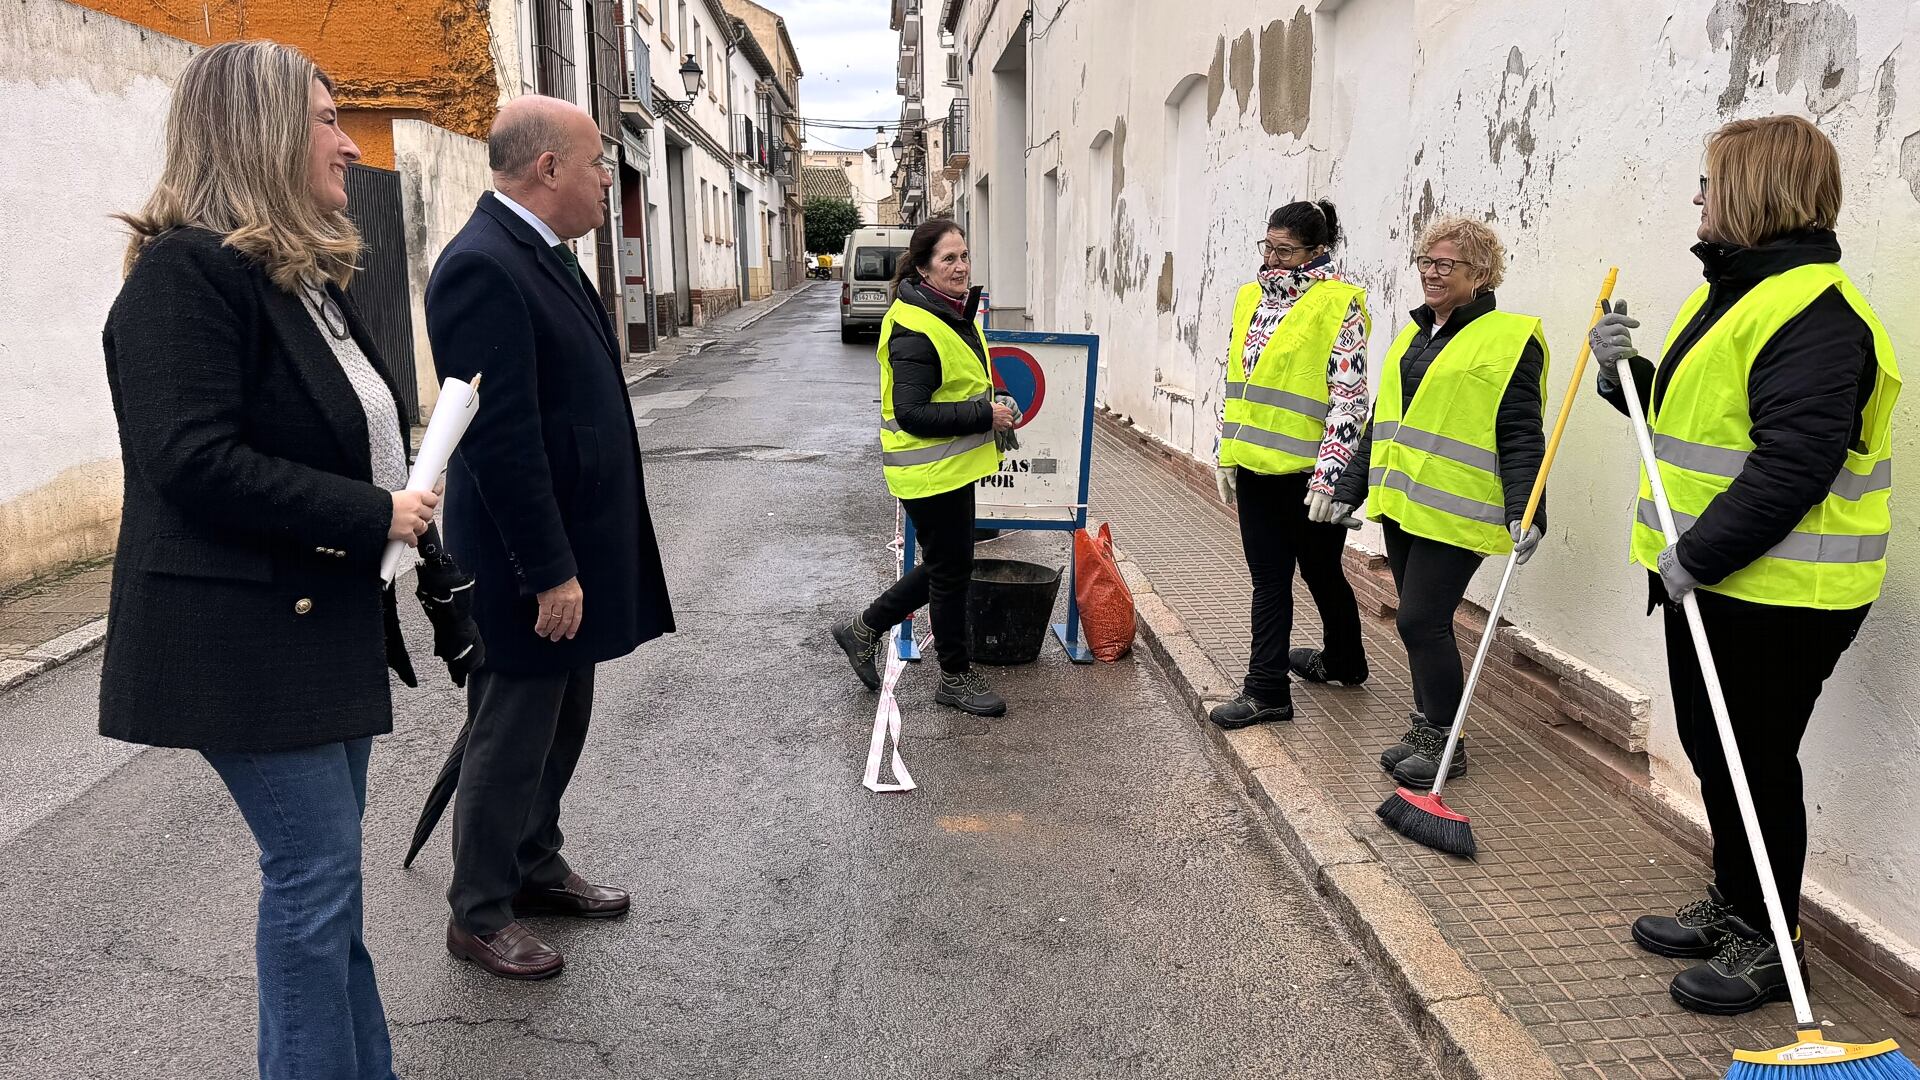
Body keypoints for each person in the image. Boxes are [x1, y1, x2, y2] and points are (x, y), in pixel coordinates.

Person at [100, 41, 478, 1079]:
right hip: (249, 639)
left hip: (321, 628)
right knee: (311, 883)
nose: (346, 143)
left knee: (326, 886)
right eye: (324, 118)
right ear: (261, 131)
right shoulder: (186, 273)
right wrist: (373, 513)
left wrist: (401, 496)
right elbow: (190, 460)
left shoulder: (296, 276)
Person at [1590, 115, 1899, 1016]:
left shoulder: (1816, 313)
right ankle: (1735, 904)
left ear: (1757, 191)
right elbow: (1697, 430)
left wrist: (1697, 555)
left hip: (1782, 593)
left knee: (1754, 760)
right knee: (1716, 752)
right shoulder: (1734, 294)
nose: (1697, 197)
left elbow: (1792, 466)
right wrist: (1625, 378)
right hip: (1718, 581)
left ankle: (1771, 944)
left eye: (1710, 182)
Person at [425, 95, 675, 980]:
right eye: (599, 161)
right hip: (527, 565)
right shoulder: (483, 267)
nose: (611, 177)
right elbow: (500, 440)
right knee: (511, 733)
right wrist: (548, 573)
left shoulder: (544, 255)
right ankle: (480, 912)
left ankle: (532, 863)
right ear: (548, 169)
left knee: (562, 718)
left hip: (572, 550)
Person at [1335, 216, 1548, 786]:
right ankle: (1429, 723)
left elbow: (1522, 431)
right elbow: (1384, 422)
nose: (1430, 273)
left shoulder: (1510, 340)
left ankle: (1446, 741)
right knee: (1416, 623)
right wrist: (1348, 486)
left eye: (1445, 264)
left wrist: (1527, 507)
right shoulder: (1416, 333)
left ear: (1479, 272)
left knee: (1421, 619)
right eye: (1425, 261)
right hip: (1406, 505)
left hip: (1461, 508)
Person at [832, 219, 1016, 718]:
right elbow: (913, 412)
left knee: (946, 565)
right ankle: (954, 677)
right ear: (923, 267)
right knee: (951, 571)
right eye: (948, 259)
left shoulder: (956, 312)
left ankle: (864, 628)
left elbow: (959, 384)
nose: (960, 267)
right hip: (928, 472)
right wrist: (985, 414)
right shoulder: (916, 324)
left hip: (950, 468)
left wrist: (994, 400)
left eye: (964, 257)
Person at [1207, 200, 1373, 730]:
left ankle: (1341, 661)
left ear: (1316, 252)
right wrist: (1226, 452)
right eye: (1269, 248)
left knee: (1321, 569)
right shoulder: (1249, 298)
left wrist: (1333, 476)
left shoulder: (1339, 304)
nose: (1274, 259)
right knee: (1271, 580)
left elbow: (1348, 397)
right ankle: (1269, 688)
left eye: (1286, 251)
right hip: (1256, 469)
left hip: (1308, 475)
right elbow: (1236, 382)